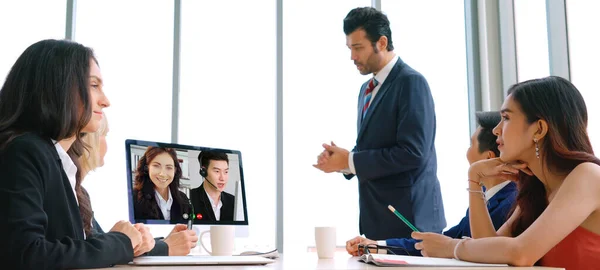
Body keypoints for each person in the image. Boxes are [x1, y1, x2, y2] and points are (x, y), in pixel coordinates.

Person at [413, 76, 600, 269]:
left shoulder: (588, 176)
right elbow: (488, 250)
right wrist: (475, 178)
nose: (496, 130)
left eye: (506, 118)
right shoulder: (537, 190)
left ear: (539, 129)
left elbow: (521, 253)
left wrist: (451, 247)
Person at [0, 39, 145, 269]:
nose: (105, 101)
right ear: (59, 87)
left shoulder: (58, 161)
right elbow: (27, 254)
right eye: (94, 85)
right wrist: (120, 242)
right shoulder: (25, 151)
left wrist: (129, 242)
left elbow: (71, 246)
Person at [313, 7, 445, 240]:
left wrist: (351, 160)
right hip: (378, 222)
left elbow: (413, 153)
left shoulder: (411, 83)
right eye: (349, 48)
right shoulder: (366, 89)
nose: (352, 56)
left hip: (410, 222)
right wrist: (342, 162)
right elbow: (374, 148)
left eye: (358, 47)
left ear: (382, 43)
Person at [346, 111, 517, 256]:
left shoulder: (511, 202)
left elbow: (481, 248)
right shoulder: (485, 197)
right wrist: (377, 245)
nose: (467, 151)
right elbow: (442, 241)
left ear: (488, 157)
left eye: (470, 144)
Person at [78, 115, 198, 256]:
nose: (163, 174)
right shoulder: (137, 197)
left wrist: (165, 243)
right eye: (104, 135)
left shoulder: (81, 193)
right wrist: (165, 247)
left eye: (169, 167)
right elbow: (97, 250)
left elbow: (99, 245)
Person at [133, 147, 191, 221]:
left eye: (169, 167)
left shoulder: (183, 199)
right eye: (156, 166)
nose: (163, 174)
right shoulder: (133, 199)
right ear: (147, 168)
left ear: (175, 170)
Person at [190, 151, 235, 221]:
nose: (222, 178)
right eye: (217, 171)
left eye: (226, 172)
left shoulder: (234, 202)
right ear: (203, 172)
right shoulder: (189, 198)